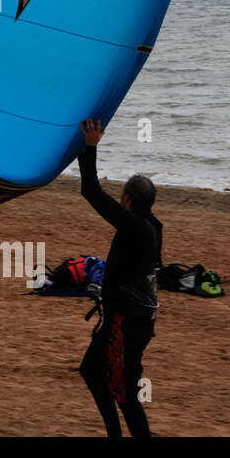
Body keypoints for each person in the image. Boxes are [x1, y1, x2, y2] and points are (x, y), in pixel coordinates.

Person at [77, 118, 163, 438]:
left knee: (125, 393)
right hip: (128, 318)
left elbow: (90, 190)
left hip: (128, 323)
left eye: (122, 196)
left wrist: (89, 145)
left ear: (127, 201)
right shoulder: (153, 226)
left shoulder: (134, 226)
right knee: (91, 371)